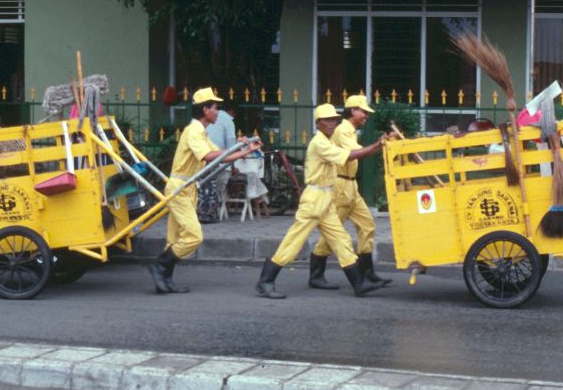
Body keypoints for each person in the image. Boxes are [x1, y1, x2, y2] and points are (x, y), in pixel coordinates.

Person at [255, 103, 389, 299]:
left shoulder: (327, 141)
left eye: (334, 120)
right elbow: (350, 155)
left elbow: (352, 153)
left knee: (341, 240)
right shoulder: (320, 143)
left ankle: (358, 284)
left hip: (325, 198)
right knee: (293, 242)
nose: (332, 123)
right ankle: (265, 281)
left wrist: (376, 147)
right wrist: (377, 145)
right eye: (327, 120)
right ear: (318, 123)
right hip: (314, 200)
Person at [150, 88, 260, 294]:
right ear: (205, 110)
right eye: (215, 108)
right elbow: (209, 156)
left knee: (174, 238)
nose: (218, 112)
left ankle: (165, 279)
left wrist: (243, 148)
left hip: (188, 187)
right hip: (179, 187)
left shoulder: (201, 131)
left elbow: (219, 155)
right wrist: (240, 149)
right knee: (194, 236)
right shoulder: (193, 131)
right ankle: (159, 265)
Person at [308, 94, 390, 290]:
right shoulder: (344, 130)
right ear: (353, 110)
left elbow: (361, 151)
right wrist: (379, 145)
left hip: (350, 186)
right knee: (332, 234)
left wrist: (381, 145)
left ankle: (368, 273)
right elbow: (355, 154)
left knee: (367, 224)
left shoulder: (350, 130)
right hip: (340, 187)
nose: (366, 116)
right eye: (363, 112)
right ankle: (316, 275)